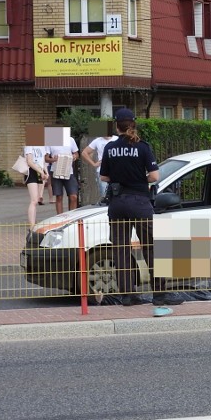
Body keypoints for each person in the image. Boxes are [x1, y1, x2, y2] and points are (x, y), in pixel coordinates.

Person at [99, 108, 172, 316]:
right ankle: (159, 294)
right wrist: (140, 179)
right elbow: (155, 176)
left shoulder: (110, 148)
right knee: (150, 248)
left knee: (121, 250)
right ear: (134, 124)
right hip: (140, 203)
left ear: (117, 126)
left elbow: (104, 177)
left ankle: (128, 295)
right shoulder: (142, 147)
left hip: (117, 204)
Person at [46, 134, 80, 214]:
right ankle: (60, 219)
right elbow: (46, 158)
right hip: (55, 171)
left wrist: (74, 156)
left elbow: (77, 154)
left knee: (73, 196)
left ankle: (72, 217)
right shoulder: (50, 141)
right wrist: (54, 159)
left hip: (69, 171)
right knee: (59, 197)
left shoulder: (70, 139)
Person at [81, 132, 118, 202]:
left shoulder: (117, 139)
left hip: (116, 170)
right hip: (102, 171)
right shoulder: (97, 140)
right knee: (104, 194)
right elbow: (84, 152)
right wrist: (94, 164)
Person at [23, 143, 48, 226]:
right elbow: (29, 161)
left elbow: (43, 162)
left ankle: (33, 223)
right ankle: (31, 226)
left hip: (40, 171)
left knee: (37, 199)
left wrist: (46, 172)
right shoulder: (30, 145)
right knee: (34, 200)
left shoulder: (43, 146)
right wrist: (41, 171)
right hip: (32, 171)